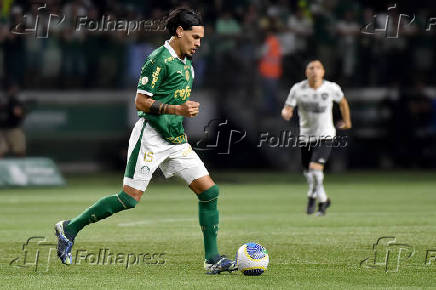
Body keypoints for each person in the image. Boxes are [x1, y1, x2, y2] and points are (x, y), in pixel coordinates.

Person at [55, 8, 237, 274]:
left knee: (209, 192)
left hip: (175, 140)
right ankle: (69, 228)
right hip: (150, 137)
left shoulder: (187, 63)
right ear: (179, 32)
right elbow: (140, 101)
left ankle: (212, 260)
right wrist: (178, 110)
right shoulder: (158, 59)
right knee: (128, 200)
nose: (199, 43)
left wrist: (179, 116)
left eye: (201, 38)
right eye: (195, 37)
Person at [281, 60, 351, 216]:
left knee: (315, 169)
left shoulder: (331, 88)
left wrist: (347, 121)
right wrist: (286, 113)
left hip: (326, 134)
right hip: (306, 136)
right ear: (306, 72)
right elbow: (288, 107)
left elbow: (343, 102)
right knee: (308, 172)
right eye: (311, 68)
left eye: (318, 68)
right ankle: (322, 198)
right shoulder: (298, 89)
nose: (315, 71)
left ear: (323, 72)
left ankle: (314, 199)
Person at [0, 84, 26, 158]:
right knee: (1, 150)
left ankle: (22, 167)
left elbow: (18, 113)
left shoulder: (15, 101)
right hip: (1, 129)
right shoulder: (3, 100)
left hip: (14, 128)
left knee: (19, 151)